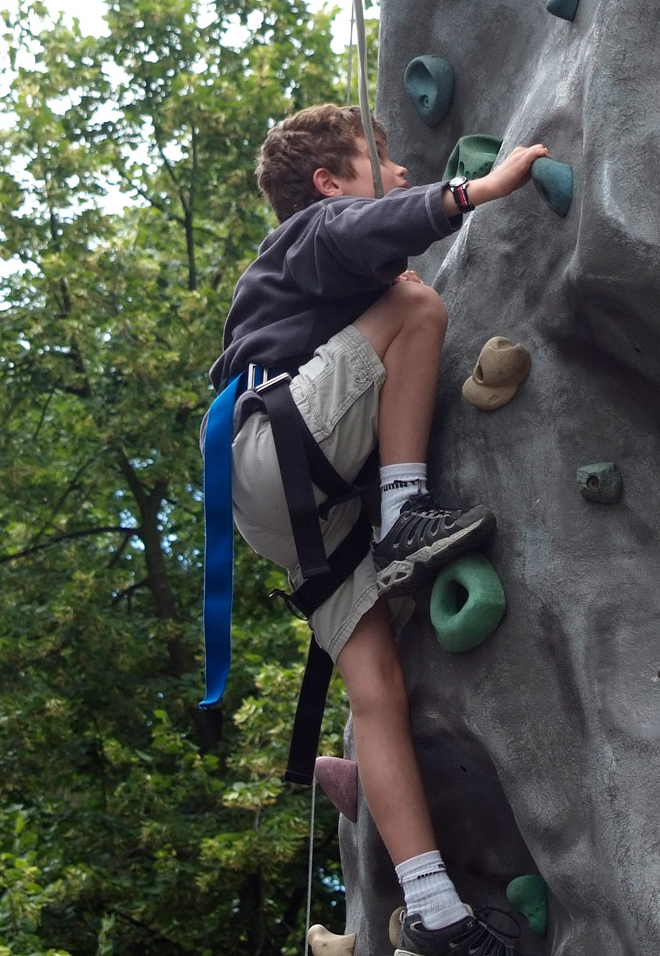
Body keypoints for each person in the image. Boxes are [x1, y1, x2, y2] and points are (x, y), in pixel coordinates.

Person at [207, 103, 548, 956]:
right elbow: (373, 226)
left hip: (293, 517)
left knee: (380, 693)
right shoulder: (314, 231)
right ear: (328, 183)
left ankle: (433, 912)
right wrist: (475, 191)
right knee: (417, 305)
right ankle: (405, 511)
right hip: (278, 449)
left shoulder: (313, 277)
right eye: (381, 160)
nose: (398, 173)